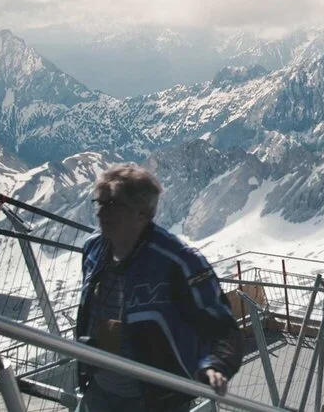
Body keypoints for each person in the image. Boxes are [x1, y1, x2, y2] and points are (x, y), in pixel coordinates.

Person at [76, 165, 242, 412]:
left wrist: (216, 365)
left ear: (142, 213)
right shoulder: (93, 249)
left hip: (158, 401)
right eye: (99, 203)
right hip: (100, 390)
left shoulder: (178, 262)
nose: (101, 214)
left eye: (113, 205)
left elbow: (222, 327)